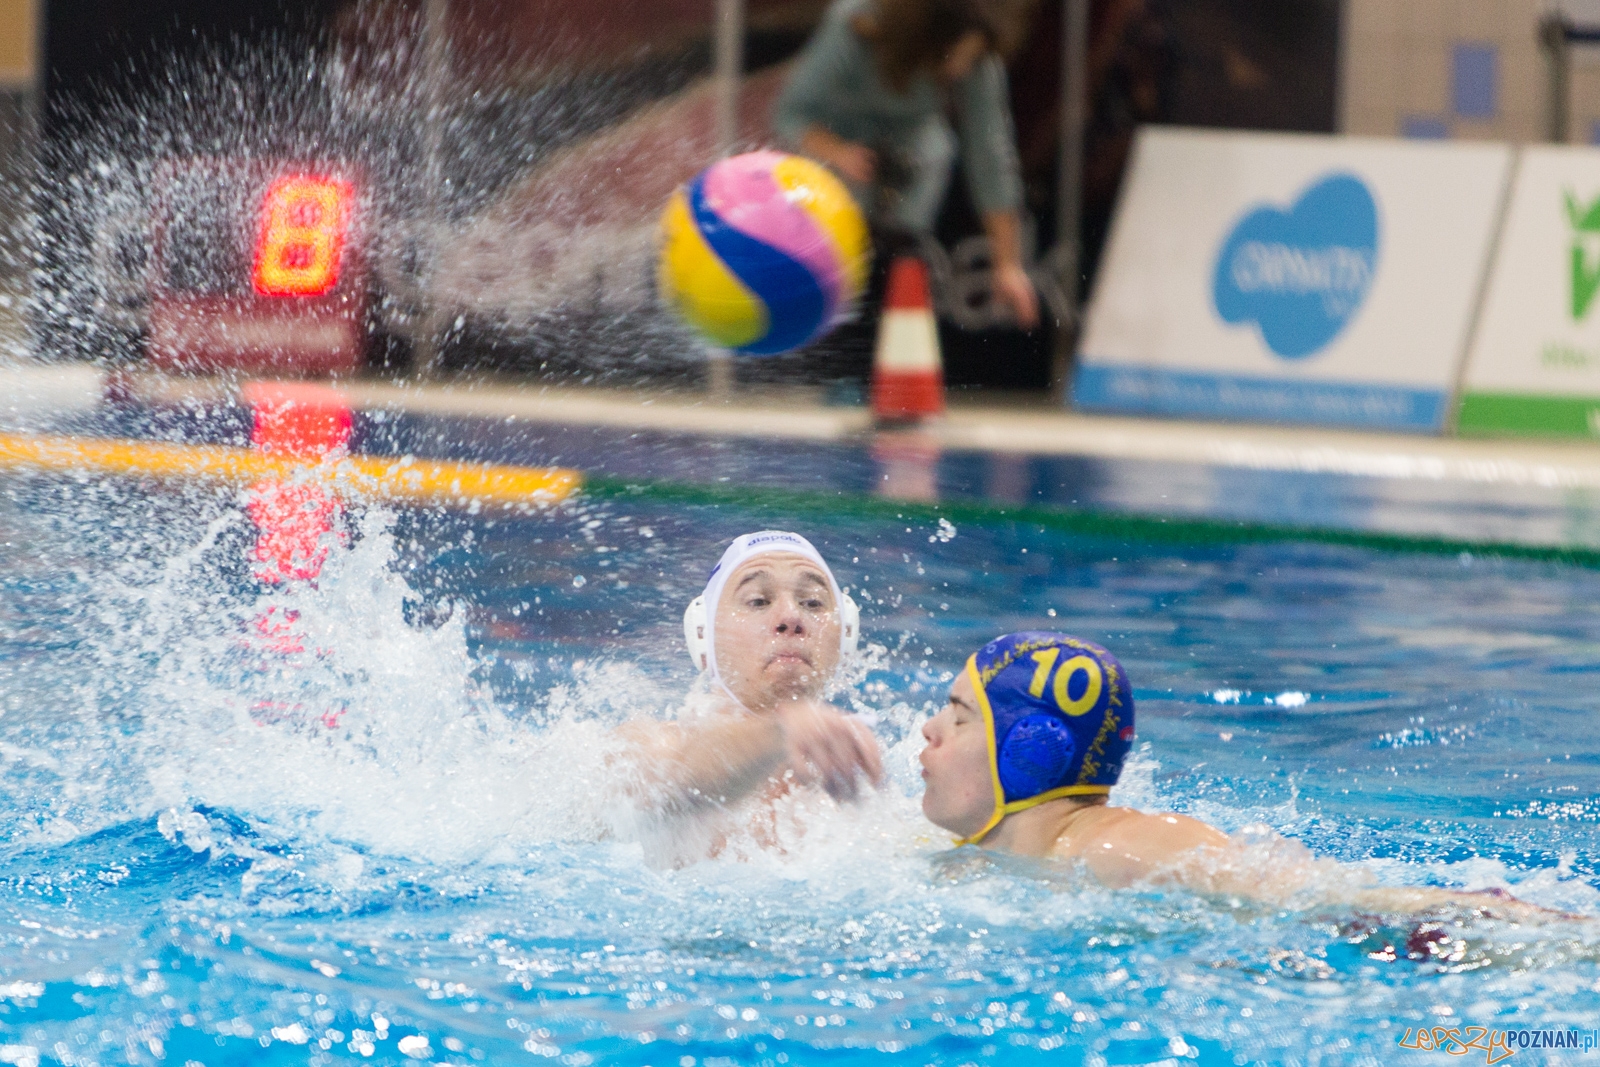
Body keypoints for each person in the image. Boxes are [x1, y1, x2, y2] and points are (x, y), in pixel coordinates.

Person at [920, 631, 1573, 922]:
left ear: (1031, 751)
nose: (928, 729)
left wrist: (1546, 931)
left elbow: (1334, 899)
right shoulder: (996, 853)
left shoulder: (1120, 846)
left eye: (958, 715)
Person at [773, 0, 1040, 329]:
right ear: (928, 35)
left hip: (911, 184)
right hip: (837, 161)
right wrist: (838, 152)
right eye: (957, 56)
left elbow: (990, 156)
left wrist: (1008, 264)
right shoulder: (857, 21)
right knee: (832, 280)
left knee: (933, 160)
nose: (961, 70)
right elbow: (792, 113)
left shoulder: (978, 50)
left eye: (970, 60)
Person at [613, 532, 884, 854]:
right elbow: (676, 784)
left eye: (813, 602)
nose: (791, 617)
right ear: (703, 635)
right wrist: (780, 729)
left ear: (846, 637)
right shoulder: (644, 747)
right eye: (757, 601)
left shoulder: (867, 781)